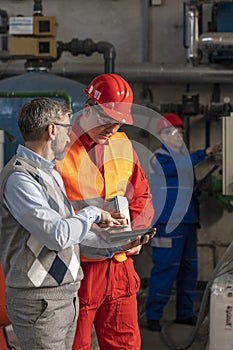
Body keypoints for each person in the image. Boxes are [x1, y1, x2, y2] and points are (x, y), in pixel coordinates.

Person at [0, 97, 150, 350]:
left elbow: (72, 230)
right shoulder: (20, 178)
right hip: (40, 296)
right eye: (68, 127)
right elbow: (56, 235)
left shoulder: (49, 173)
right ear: (52, 130)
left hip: (64, 291)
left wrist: (119, 243)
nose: (71, 134)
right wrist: (92, 213)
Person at [57, 73, 154, 350]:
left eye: (119, 122)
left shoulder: (122, 145)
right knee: (74, 345)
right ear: (88, 110)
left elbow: (142, 197)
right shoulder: (59, 149)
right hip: (78, 269)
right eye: (106, 120)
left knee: (126, 345)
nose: (112, 128)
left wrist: (134, 236)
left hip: (120, 266)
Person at [146, 113, 221, 331]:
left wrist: (199, 188)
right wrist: (204, 153)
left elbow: (183, 188)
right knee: (165, 269)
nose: (178, 136)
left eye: (180, 132)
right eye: (173, 132)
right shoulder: (159, 158)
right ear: (162, 136)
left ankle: (185, 313)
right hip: (168, 224)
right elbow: (175, 168)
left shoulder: (181, 160)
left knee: (189, 269)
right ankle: (153, 315)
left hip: (187, 222)